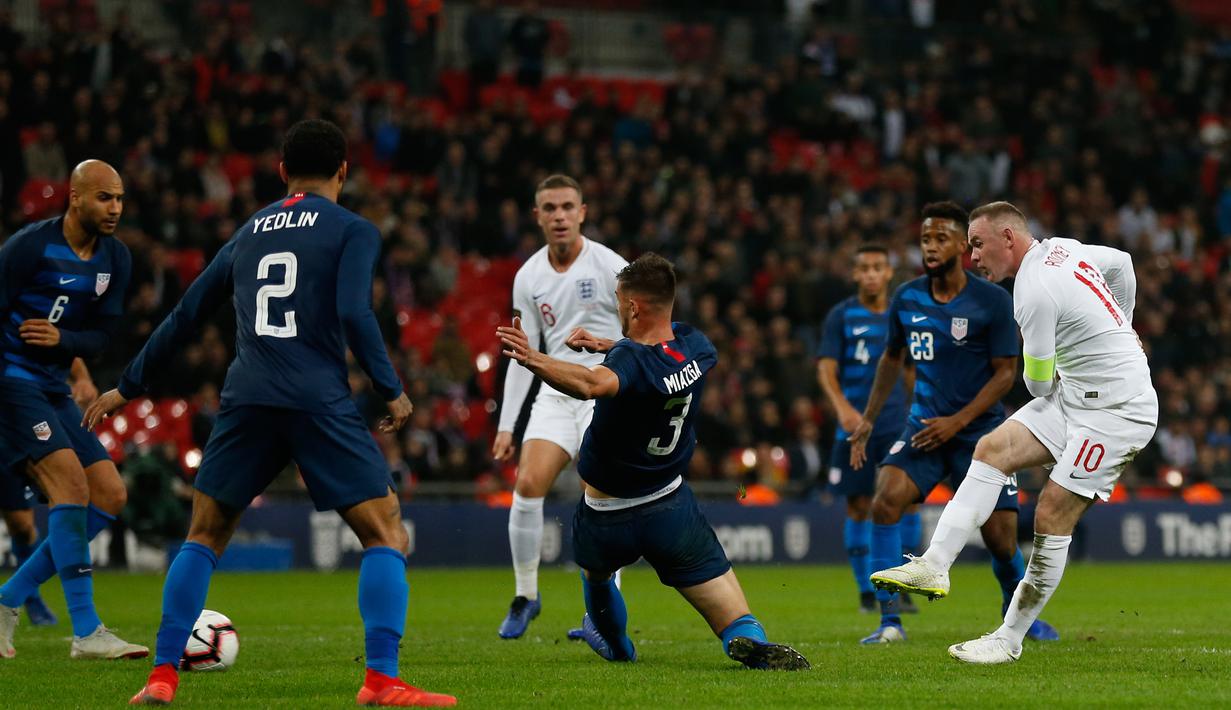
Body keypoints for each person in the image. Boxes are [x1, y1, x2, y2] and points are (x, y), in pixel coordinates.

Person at [83, 120, 455, 706]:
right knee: (385, 532)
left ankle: (161, 676)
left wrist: (127, 388)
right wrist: (391, 388)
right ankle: (381, 680)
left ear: (281, 172)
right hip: (316, 397)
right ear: (344, 171)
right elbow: (356, 313)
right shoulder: (354, 230)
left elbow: (184, 316)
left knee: (202, 536)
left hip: (247, 396)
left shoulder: (248, 231)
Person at [872, 201, 1156, 664]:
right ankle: (934, 565)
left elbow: (1037, 384)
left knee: (1050, 517)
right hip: (1077, 396)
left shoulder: (1032, 291)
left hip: (1117, 412)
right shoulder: (1063, 248)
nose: (973, 257)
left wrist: (1113, 333)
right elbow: (1122, 265)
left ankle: (1009, 638)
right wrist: (1121, 322)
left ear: (1009, 238)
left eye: (979, 244)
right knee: (991, 448)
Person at [497, 253, 810, 671]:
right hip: (671, 511)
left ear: (633, 307)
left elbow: (591, 384)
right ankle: (747, 640)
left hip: (606, 517)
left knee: (597, 578)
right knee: (737, 618)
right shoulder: (698, 347)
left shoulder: (626, 364)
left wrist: (532, 357)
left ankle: (618, 645)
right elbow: (656, 359)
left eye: (617, 300)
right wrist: (610, 344)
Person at [849, 201, 1057, 645]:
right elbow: (891, 358)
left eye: (941, 238)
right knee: (886, 499)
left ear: (964, 245)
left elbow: (1006, 372)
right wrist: (868, 419)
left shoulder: (993, 300)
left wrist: (957, 421)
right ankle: (889, 623)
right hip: (923, 429)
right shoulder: (907, 298)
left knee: (1002, 540)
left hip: (981, 435)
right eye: (925, 238)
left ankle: (1018, 616)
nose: (930, 246)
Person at [0, 160, 146, 661]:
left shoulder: (116, 260)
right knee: (71, 485)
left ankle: (6, 600)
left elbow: (105, 338)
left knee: (109, 494)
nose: (115, 209)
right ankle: (86, 631)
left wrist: (66, 341)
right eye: (105, 198)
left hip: (53, 387)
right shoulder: (29, 247)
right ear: (75, 197)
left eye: (120, 199)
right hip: (11, 381)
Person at [491, 173, 626, 639]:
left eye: (568, 206)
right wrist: (507, 424)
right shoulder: (528, 276)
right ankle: (526, 595)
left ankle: (605, 612)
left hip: (601, 388)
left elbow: (646, 332)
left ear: (583, 212)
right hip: (554, 391)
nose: (560, 216)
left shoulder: (611, 267)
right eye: (550, 208)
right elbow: (520, 353)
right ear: (537, 216)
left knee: (599, 490)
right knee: (528, 483)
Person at [816, 244, 919, 614]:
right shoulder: (840, 316)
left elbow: (910, 369)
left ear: (889, 273)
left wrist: (919, 411)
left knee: (905, 499)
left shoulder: (901, 316)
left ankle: (903, 583)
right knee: (858, 505)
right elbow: (826, 369)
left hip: (896, 423)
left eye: (879, 267)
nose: (872, 274)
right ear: (856, 274)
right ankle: (865, 590)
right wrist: (843, 410)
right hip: (854, 425)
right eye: (865, 268)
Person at [0, 356, 100, 628]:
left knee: (22, 524)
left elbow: (59, 340)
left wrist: (81, 377)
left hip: (17, 415)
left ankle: (26, 598)